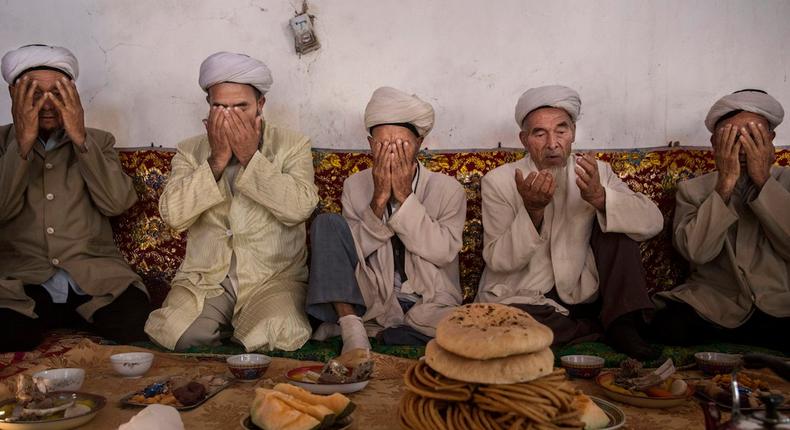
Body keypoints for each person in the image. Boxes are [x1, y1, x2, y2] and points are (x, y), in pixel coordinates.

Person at [145, 52, 319, 352]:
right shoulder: (190, 150)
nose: (230, 116)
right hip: (206, 278)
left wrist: (251, 156)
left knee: (278, 332)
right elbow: (173, 215)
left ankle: (242, 331)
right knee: (176, 333)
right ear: (209, 107)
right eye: (220, 107)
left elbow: (300, 209)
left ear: (260, 105)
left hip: (271, 278)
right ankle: (220, 327)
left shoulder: (292, 145)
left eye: (241, 107)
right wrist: (217, 160)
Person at [476, 85, 664, 360]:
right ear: (524, 139)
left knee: (619, 222)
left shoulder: (594, 172)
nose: (552, 143)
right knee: (505, 325)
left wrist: (601, 198)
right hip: (526, 298)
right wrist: (532, 212)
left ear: (573, 132)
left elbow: (653, 221)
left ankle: (621, 324)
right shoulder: (500, 181)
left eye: (561, 131)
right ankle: (593, 328)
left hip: (583, 293)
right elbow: (499, 260)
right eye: (540, 133)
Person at [0, 44, 149, 352]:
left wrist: (81, 140)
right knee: (8, 333)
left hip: (92, 277)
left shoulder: (97, 141)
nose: (48, 104)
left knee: (135, 321)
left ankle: (66, 315)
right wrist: (22, 146)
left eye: (58, 93)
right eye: (35, 94)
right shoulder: (1, 143)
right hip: (24, 280)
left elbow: (117, 203)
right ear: (15, 95)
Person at [306, 87, 466, 353]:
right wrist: (378, 200)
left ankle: (390, 332)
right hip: (373, 296)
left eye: (401, 145)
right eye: (382, 145)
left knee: (464, 331)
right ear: (370, 145)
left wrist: (405, 197)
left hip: (430, 301)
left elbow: (442, 253)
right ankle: (352, 329)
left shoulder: (448, 189)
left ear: (419, 142)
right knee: (326, 224)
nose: (391, 153)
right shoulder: (355, 185)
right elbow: (351, 253)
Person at [651, 89, 789, 352]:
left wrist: (763, 182)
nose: (743, 147)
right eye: (732, 139)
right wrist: (724, 185)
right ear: (715, 144)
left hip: (779, 304)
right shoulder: (693, 190)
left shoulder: (787, 183)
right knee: (667, 325)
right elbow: (697, 252)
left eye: (753, 136)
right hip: (715, 303)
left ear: (770, 139)